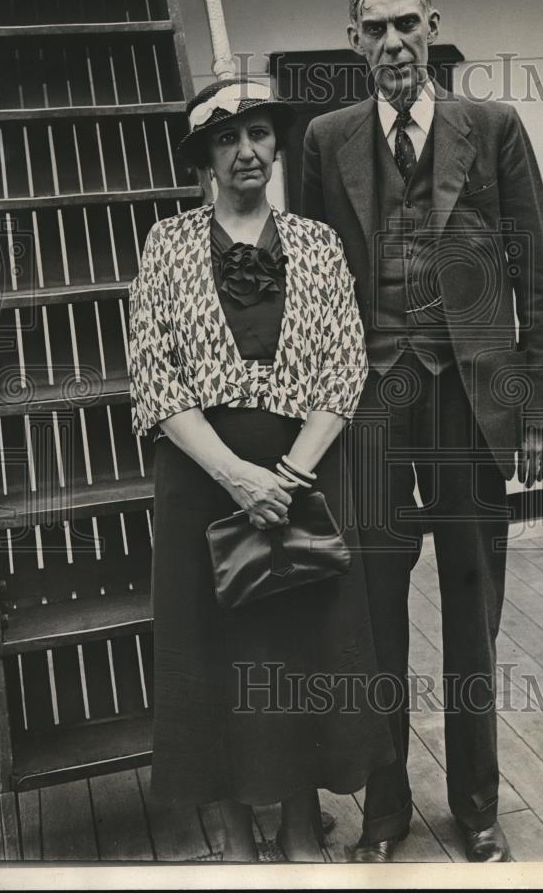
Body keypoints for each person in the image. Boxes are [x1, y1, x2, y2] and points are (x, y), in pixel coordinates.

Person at [302, 0, 543, 863]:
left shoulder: (490, 130)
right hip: (369, 404)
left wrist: (536, 409)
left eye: (405, 25)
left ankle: (476, 802)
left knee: (470, 605)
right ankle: (384, 809)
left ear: (432, 26)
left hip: (470, 397)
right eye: (373, 32)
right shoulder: (324, 140)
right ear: (353, 44)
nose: (392, 46)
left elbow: (533, 274)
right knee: (371, 613)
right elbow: (308, 284)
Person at [128, 77, 395, 863]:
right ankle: (240, 837)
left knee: (298, 651)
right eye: (225, 139)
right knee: (215, 655)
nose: (245, 152)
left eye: (258, 135)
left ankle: (301, 827)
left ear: (277, 146)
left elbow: (344, 369)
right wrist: (238, 478)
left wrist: (284, 477)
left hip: (302, 482)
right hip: (200, 485)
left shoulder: (315, 243)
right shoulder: (167, 244)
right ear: (205, 158)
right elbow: (153, 374)